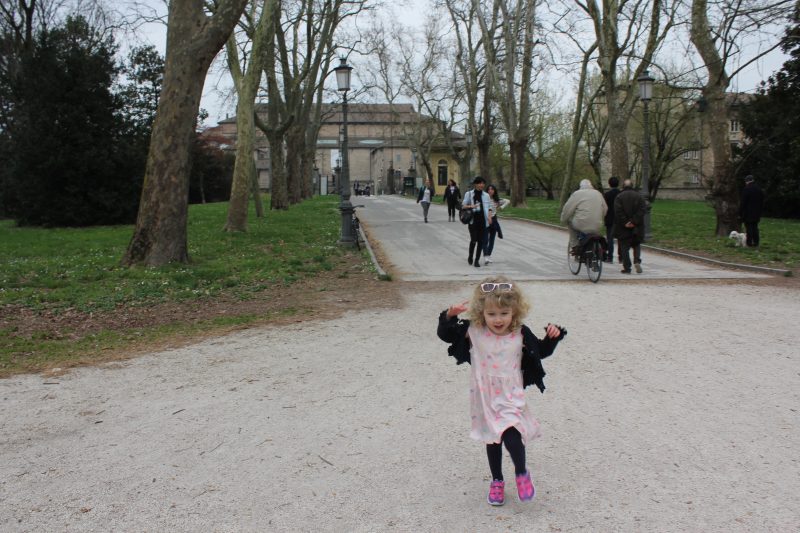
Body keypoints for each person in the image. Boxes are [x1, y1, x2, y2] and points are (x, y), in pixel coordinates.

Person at [436, 276, 567, 506]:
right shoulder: (473, 330)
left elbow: (540, 352)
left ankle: (521, 473)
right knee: (492, 438)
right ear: (481, 312)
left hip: (510, 393)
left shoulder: (520, 333)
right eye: (492, 314)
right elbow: (445, 334)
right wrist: (449, 315)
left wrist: (552, 338)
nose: (498, 319)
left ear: (514, 311)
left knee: (510, 431)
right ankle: (497, 481)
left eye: (504, 313)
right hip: (484, 395)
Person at [560, 179, 607, 253]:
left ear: (580, 186)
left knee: (569, 223)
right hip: (597, 224)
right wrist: (601, 218)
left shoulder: (577, 194)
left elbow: (568, 208)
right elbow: (605, 208)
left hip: (581, 224)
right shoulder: (598, 193)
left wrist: (563, 219)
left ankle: (575, 245)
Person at [614, 179, 646, 274]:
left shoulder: (619, 196)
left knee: (624, 247)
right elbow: (642, 210)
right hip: (637, 226)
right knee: (636, 244)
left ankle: (627, 267)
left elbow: (618, 211)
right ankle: (636, 260)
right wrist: (634, 221)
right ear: (632, 186)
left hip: (623, 227)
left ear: (623, 186)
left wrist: (626, 222)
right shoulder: (639, 196)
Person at [462, 176, 493, 267]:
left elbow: (489, 207)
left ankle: (477, 260)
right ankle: (470, 256)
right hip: (473, 221)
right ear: (476, 184)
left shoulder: (486, 195)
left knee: (480, 241)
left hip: (483, 221)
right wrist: (471, 206)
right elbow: (463, 206)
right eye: (480, 183)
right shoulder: (469, 194)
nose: (481, 185)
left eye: (483, 183)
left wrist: (490, 217)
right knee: (473, 240)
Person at [485, 184, 510, 264]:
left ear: (494, 191)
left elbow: (507, 201)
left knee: (492, 239)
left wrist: (501, 207)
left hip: (493, 221)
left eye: (492, 189)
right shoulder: (484, 199)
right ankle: (485, 255)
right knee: (485, 240)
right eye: (489, 189)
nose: (490, 191)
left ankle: (488, 255)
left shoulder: (497, 200)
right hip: (485, 221)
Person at [740, 174, 764, 247]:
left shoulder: (747, 189)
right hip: (757, 212)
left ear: (747, 181)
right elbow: (762, 201)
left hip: (748, 212)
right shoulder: (759, 189)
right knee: (755, 227)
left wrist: (740, 212)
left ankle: (749, 242)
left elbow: (743, 202)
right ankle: (756, 242)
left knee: (749, 228)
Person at [602, 176, 621, 263]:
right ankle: (621, 257)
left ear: (609, 184)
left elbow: (604, 207)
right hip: (620, 219)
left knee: (610, 239)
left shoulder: (607, 195)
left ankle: (610, 257)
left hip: (610, 219)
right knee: (621, 238)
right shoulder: (621, 194)